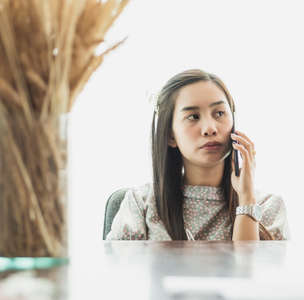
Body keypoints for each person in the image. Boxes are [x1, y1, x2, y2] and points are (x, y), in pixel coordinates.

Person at [106, 69, 290, 241]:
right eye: (193, 116)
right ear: (171, 135)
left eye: (219, 113)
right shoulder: (142, 204)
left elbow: (249, 272)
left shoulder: (268, 207)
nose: (210, 128)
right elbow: (119, 273)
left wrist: (247, 199)